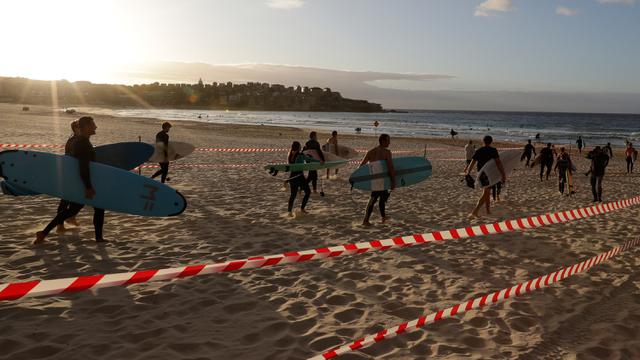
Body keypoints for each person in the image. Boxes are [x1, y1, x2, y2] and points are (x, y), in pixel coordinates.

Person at [35, 116, 106, 244]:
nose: (96, 127)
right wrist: (88, 186)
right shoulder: (83, 143)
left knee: (74, 210)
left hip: (79, 181)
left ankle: (43, 233)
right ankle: (99, 238)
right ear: (85, 127)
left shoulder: (79, 141)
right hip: (83, 182)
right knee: (96, 207)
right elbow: (83, 166)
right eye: (93, 125)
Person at [464, 135, 505, 218]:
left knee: (486, 192)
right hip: (489, 174)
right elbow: (498, 163)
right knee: (486, 192)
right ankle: (475, 211)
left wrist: (468, 172)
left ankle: (487, 210)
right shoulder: (493, 150)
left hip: (481, 174)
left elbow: (473, 162)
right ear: (491, 141)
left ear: (483, 141)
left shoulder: (479, 150)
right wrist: (502, 173)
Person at [361, 134, 395, 226]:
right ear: (383, 141)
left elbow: (361, 167)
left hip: (374, 179)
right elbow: (390, 167)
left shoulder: (371, 152)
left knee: (382, 198)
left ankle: (383, 217)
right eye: (388, 140)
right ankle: (365, 220)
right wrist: (393, 180)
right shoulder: (387, 152)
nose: (389, 142)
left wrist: (365, 179)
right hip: (382, 179)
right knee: (373, 198)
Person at [55, 120, 81, 233]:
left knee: (74, 198)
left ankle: (71, 218)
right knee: (66, 200)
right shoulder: (74, 141)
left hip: (73, 172)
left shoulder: (75, 139)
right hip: (71, 172)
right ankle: (60, 225)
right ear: (75, 129)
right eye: (79, 127)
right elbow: (70, 156)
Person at [287, 141, 311, 216]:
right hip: (299, 176)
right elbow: (307, 161)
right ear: (298, 147)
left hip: (292, 177)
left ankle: (289, 212)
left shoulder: (290, 154)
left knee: (293, 195)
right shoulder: (300, 154)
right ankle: (302, 209)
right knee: (308, 192)